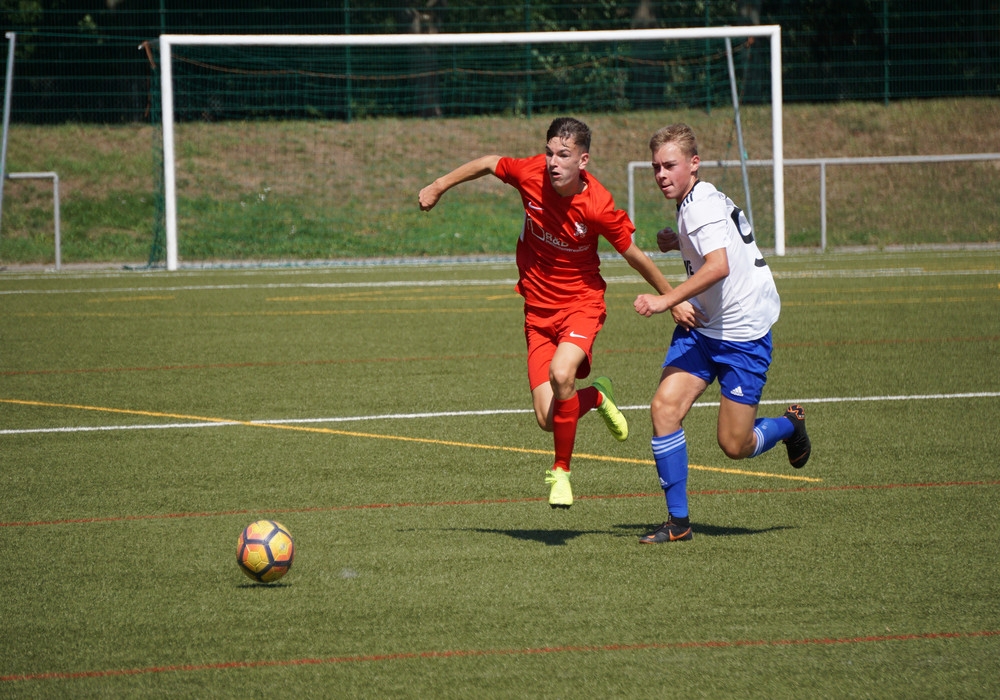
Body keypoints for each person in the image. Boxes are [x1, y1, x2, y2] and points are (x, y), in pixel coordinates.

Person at [419, 117, 676, 509]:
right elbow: (489, 163)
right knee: (546, 417)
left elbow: (634, 255)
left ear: (583, 160)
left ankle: (561, 472)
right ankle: (596, 396)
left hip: (581, 306)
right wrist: (439, 186)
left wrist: (671, 298)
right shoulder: (530, 175)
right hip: (537, 313)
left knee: (561, 373)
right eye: (550, 153)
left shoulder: (598, 206)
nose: (554, 162)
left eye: (564, 155)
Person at [632, 123, 811, 544]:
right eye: (656, 167)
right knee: (664, 409)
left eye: (670, 165)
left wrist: (666, 299)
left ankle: (789, 426)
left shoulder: (700, 207)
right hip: (704, 325)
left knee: (735, 444)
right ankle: (678, 523)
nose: (661, 175)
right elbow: (719, 247)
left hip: (742, 332)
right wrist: (679, 243)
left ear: (694, 164)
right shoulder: (695, 199)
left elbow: (719, 266)